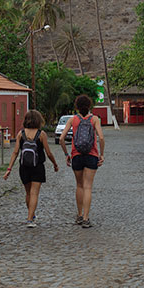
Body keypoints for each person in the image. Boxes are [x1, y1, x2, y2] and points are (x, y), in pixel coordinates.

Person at [4, 110, 59, 227]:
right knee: (34, 193)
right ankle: (30, 219)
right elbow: (48, 153)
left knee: (28, 193)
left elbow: (15, 152)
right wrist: (55, 164)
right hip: (37, 166)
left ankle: (31, 215)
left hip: (24, 167)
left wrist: (9, 169)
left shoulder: (21, 134)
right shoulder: (41, 134)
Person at [59, 94, 105, 228]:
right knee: (88, 187)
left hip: (76, 155)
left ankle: (79, 215)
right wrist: (101, 155)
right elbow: (101, 138)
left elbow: (62, 138)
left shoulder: (73, 120)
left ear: (77, 107)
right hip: (92, 155)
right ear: (89, 106)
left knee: (79, 185)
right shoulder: (95, 119)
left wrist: (67, 154)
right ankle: (86, 218)